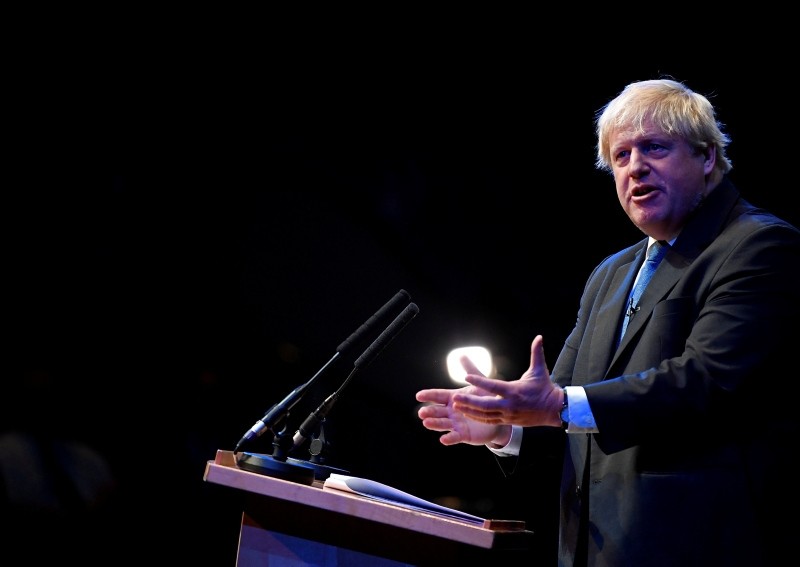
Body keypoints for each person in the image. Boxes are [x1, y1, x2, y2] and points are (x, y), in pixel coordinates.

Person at [415, 78, 800, 567]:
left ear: (707, 158)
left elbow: (705, 381)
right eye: (621, 156)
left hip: (697, 546)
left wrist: (556, 405)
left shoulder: (759, 247)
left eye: (655, 147)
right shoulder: (611, 273)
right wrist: (505, 425)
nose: (636, 166)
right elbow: (571, 406)